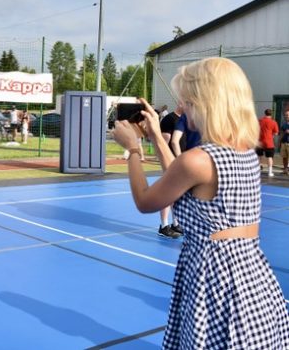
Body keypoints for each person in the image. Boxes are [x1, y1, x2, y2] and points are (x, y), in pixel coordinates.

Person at [112, 57, 289, 348]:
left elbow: (146, 201)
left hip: (214, 275)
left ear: (205, 103)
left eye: (188, 101)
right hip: (251, 274)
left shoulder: (198, 159)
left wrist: (133, 149)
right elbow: (180, 179)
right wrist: (157, 137)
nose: (183, 108)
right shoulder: (243, 152)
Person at [156, 105, 184, 239]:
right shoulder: (169, 119)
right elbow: (163, 143)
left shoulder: (185, 119)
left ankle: (175, 223)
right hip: (171, 162)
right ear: (180, 103)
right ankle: (163, 226)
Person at [256, 108, 279, 177]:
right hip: (269, 142)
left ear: (265, 113)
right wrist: (271, 136)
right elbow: (276, 133)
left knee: (259, 156)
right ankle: (270, 172)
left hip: (260, 142)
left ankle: (257, 171)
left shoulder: (259, 121)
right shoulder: (273, 122)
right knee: (269, 157)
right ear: (271, 114)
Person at [280, 110, 289, 175]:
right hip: (284, 143)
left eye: (288, 115)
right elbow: (282, 133)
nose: (286, 116)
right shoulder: (284, 124)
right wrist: (280, 141)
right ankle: (285, 169)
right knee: (284, 157)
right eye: (285, 115)